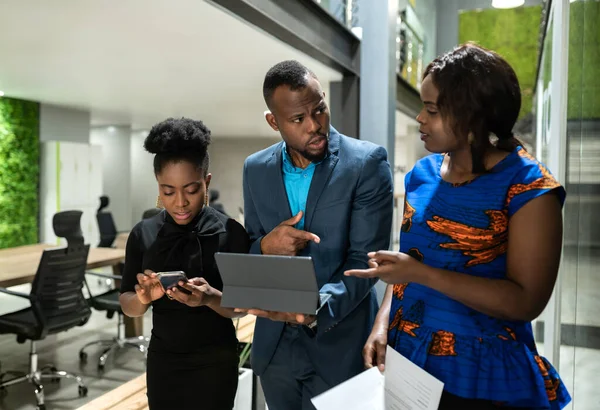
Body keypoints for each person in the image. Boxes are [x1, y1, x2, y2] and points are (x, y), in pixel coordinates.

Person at [346, 43, 571, 409]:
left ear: (472, 119)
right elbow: (407, 265)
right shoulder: (422, 175)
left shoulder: (529, 188)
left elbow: (525, 301)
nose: (419, 118)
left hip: (482, 375)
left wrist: (422, 274)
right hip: (409, 360)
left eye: (431, 110)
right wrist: (383, 323)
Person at [241, 60, 394, 410]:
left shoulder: (366, 163)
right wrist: (265, 246)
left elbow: (366, 261)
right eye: (298, 120)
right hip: (275, 349)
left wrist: (315, 308)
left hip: (338, 343)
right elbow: (250, 243)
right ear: (273, 122)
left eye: (319, 110)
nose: (314, 125)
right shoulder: (255, 169)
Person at [119, 117, 250, 410]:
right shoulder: (144, 233)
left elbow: (241, 307)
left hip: (216, 361)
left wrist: (209, 298)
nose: (180, 202)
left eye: (191, 190)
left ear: (207, 182)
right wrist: (142, 299)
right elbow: (127, 303)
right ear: (158, 186)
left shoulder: (231, 232)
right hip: (165, 360)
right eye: (168, 191)